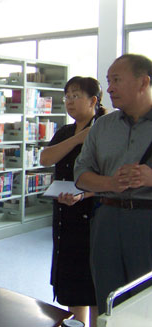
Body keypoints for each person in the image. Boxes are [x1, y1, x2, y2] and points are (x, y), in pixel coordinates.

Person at [74, 54, 152, 315]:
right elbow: (81, 173)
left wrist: (149, 178)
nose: (109, 88)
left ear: (143, 82)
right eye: (108, 81)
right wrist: (111, 183)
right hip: (106, 217)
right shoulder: (102, 127)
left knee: (146, 301)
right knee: (108, 298)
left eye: (116, 80)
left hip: (147, 218)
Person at [40, 77, 106, 326]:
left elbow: (109, 176)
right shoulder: (67, 131)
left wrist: (84, 194)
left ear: (93, 100)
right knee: (71, 279)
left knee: (94, 281)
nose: (69, 101)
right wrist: (78, 138)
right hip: (65, 213)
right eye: (66, 96)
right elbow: (46, 158)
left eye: (75, 96)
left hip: (94, 212)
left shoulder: (104, 130)